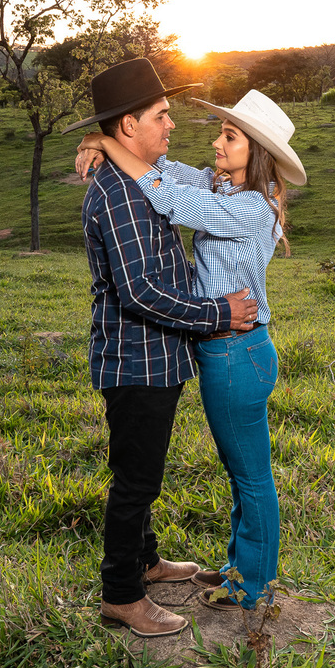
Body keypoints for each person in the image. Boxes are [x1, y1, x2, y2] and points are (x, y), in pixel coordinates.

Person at [75, 88, 306, 612]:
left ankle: (252, 585)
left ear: (258, 154)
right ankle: (241, 567)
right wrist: (104, 138)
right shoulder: (222, 187)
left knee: (250, 475)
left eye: (229, 137)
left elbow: (169, 195)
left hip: (236, 351)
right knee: (239, 470)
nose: (215, 143)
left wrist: (110, 147)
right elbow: (172, 170)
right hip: (224, 351)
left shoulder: (248, 208)